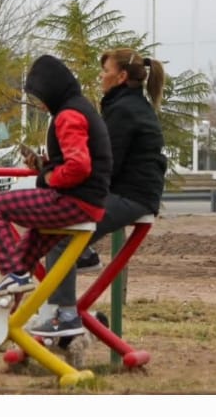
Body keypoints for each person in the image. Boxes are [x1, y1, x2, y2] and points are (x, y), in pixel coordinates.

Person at [31, 48, 168, 340]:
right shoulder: (126, 105)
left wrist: (53, 176)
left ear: (120, 77)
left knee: (61, 234)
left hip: (131, 196)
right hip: (133, 191)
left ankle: (65, 315)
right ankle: (84, 258)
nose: (101, 78)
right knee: (63, 233)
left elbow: (106, 164)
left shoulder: (124, 111)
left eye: (105, 72)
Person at [0, 54, 112, 300]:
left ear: (52, 91)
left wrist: (49, 178)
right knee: (23, 255)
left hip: (75, 201)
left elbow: (79, 167)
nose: (40, 105)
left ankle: (13, 276)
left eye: (40, 97)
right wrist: (45, 167)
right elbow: (75, 160)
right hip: (88, 201)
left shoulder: (68, 116)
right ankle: (5, 319)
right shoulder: (79, 108)